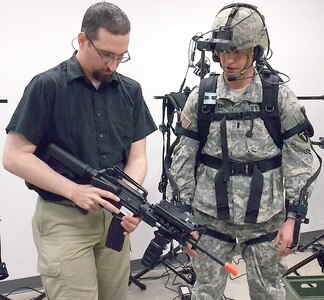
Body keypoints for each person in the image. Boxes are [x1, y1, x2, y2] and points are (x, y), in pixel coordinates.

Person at [3, 2, 157, 300]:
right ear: (82, 40)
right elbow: (14, 155)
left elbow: (137, 157)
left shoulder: (131, 91)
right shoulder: (47, 86)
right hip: (64, 219)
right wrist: (74, 191)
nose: (112, 65)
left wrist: (130, 199)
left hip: (114, 218)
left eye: (120, 56)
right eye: (106, 54)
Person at [166, 3, 314, 300]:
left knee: (269, 293)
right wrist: (183, 221)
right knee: (205, 293)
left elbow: (298, 161)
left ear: (256, 51)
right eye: (221, 52)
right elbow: (182, 158)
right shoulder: (203, 96)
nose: (227, 60)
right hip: (209, 217)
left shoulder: (278, 97)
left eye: (236, 52)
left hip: (266, 219)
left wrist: (293, 218)